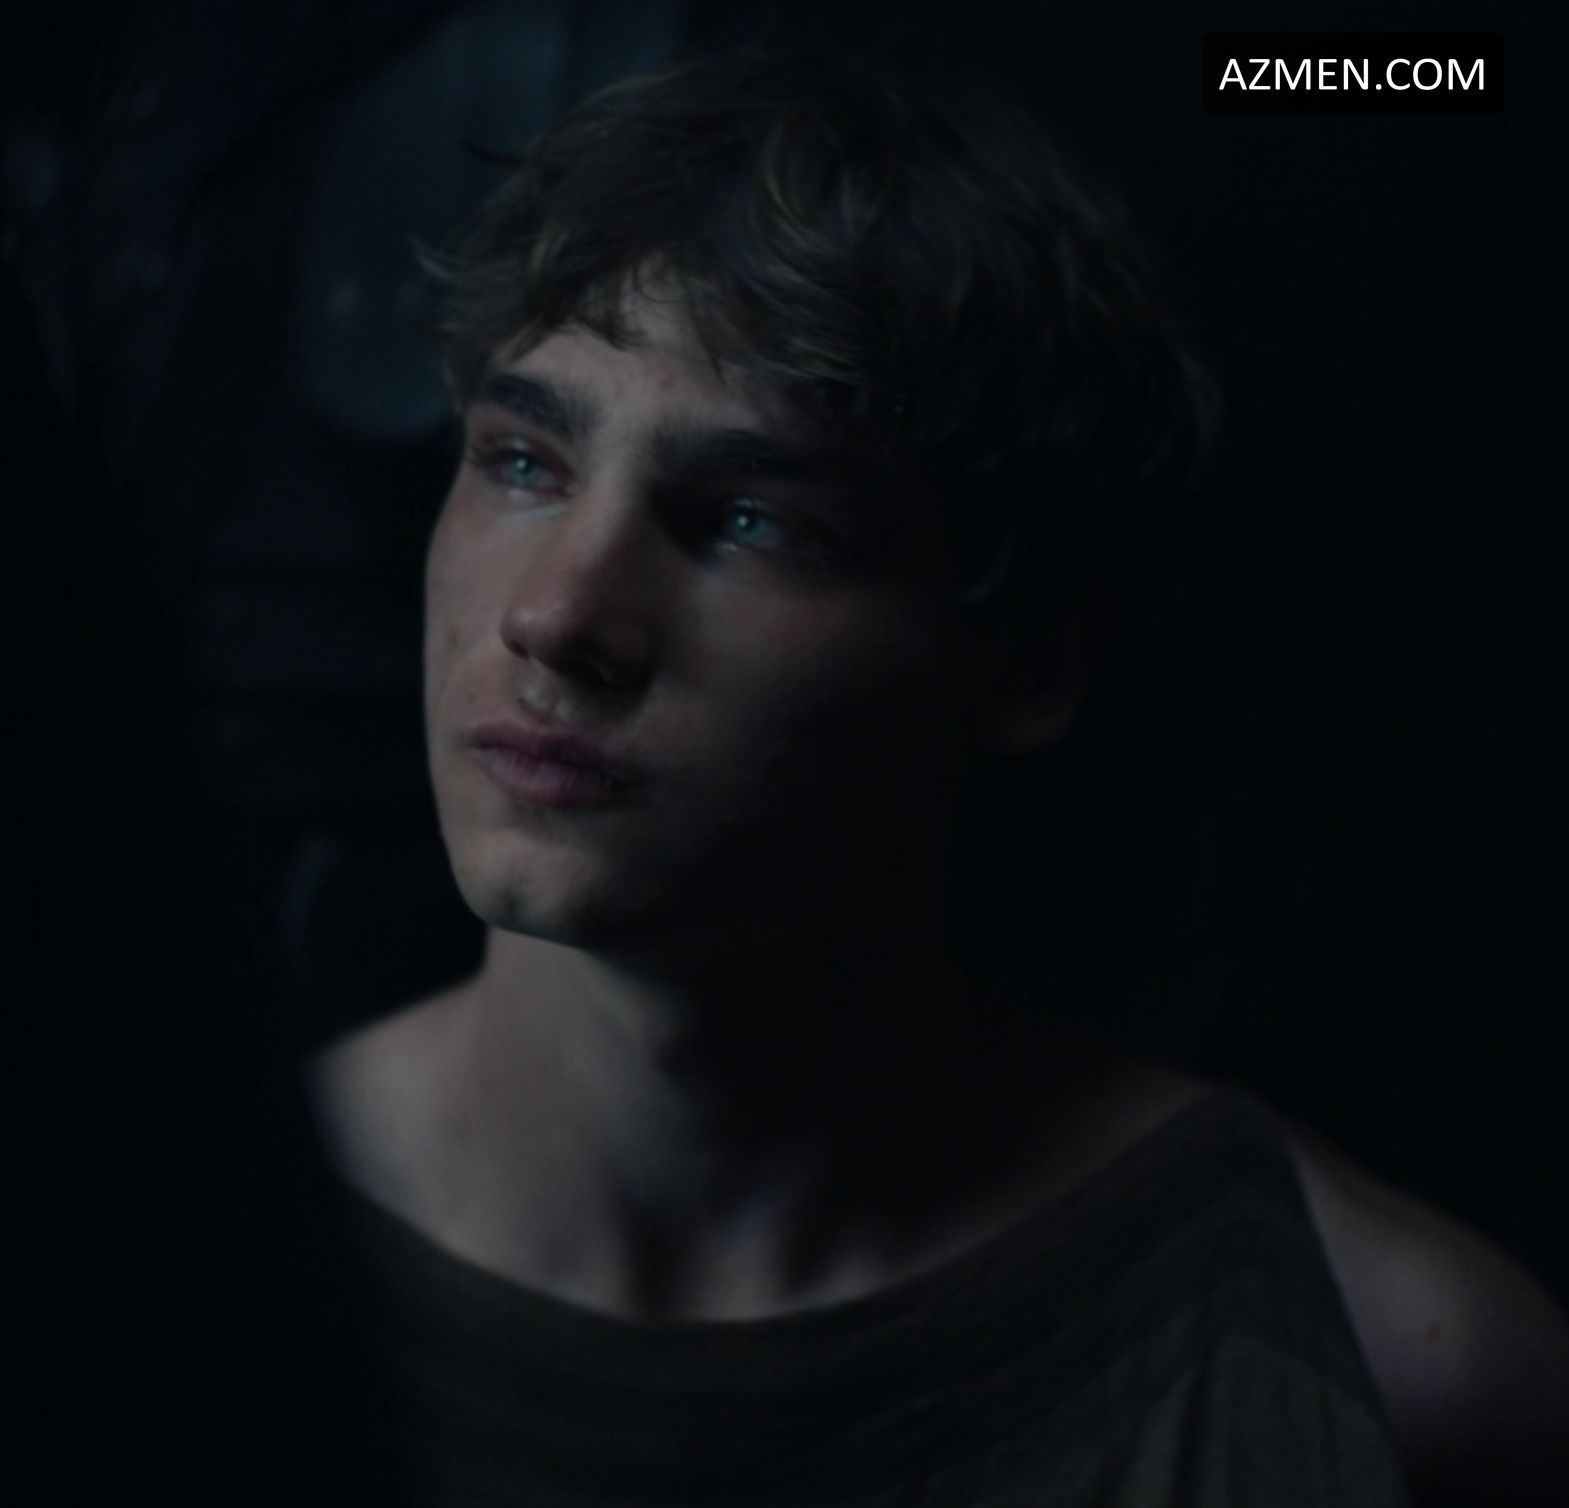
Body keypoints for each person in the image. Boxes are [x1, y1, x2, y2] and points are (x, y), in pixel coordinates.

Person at [309, 46, 1569, 1507]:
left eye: (750, 519)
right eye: (525, 462)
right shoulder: (168, 1233)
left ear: (1028, 660)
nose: (558, 616)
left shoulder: (1387, 1370)